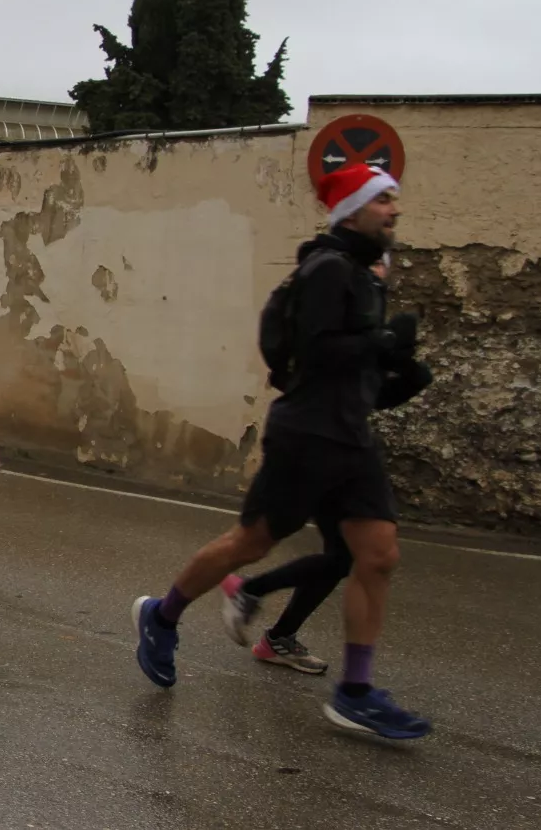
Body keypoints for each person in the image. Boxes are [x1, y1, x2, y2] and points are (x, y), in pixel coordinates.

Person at [132, 164, 431, 740]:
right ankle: (161, 615)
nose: (395, 210)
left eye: (396, 199)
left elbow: (354, 373)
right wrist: (385, 342)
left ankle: (356, 691)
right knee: (253, 542)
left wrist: (400, 377)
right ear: (353, 210)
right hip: (307, 435)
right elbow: (316, 358)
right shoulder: (326, 269)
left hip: (350, 435)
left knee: (378, 554)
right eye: (384, 200)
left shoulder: (367, 278)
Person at [219, 255, 433, 675]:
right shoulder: (337, 314)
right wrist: (384, 345)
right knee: (272, 541)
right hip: (313, 445)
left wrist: (408, 374)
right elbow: (315, 372)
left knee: (341, 556)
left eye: (381, 268)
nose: (377, 275)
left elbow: (369, 395)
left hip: (343, 449)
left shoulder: (367, 324)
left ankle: (270, 626)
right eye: (370, 267)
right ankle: (244, 594)